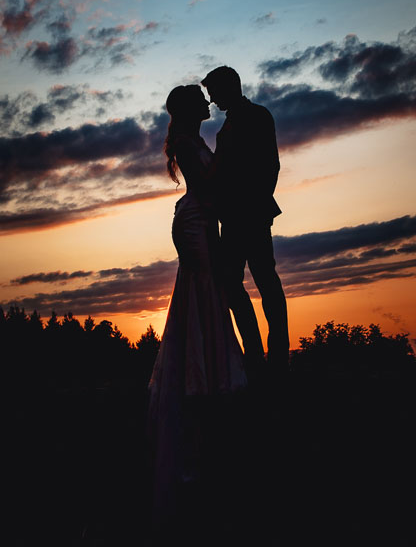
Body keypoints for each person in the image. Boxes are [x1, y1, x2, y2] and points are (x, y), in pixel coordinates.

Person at [147, 84, 247, 526]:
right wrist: (227, 151)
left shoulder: (197, 141)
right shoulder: (188, 144)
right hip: (196, 224)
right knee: (203, 291)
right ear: (190, 110)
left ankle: (209, 370)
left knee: (210, 293)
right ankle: (200, 375)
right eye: (201, 100)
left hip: (203, 222)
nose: (209, 103)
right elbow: (207, 186)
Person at [201, 66, 289, 380]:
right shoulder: (229, 124)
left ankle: (275, 355)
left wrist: (255, 202)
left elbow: (271, 165)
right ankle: (254, 351)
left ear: (227, 88)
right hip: (233, 216)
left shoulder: (257, 116)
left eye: (213, 93)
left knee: (265, 281)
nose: (211, 100)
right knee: (232, 282)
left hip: (249, 214)